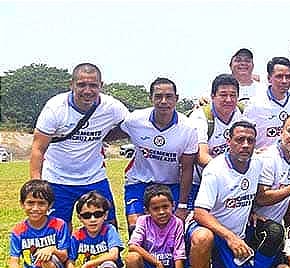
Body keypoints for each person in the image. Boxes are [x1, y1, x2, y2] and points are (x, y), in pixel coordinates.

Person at [187, 121, 273, 268]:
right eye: (239, 140)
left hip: (235, 237)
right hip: (211, 230)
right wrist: (229, 237)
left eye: (250, 141)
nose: (245, 145)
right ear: (229, 142)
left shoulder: (257, 164)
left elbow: (245, 194)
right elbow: (200, 212)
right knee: (203, 238)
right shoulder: (215, 170)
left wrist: (252, 212)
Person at [30, 63, 128, 228]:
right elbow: (38, 148)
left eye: (93, 85)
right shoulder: (55, 108)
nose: (87, 91)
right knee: (59, 230)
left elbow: (131, 127)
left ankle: (110, 255)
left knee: (108, 226)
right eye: (81, 85)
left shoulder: (112, 107)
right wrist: (36, 184)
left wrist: (105, 136)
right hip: (57, 179)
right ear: (71, 85)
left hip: (94, 178)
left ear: (101, 86)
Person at [121, 77, 198, 234]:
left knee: (174, 229)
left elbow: (187, 168)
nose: (164, 101)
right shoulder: (134, 120)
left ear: (176, 99)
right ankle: (139, 259)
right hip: (139, 182)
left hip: (171, 184)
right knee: (136, 227)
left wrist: (182, 205)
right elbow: (112, 132)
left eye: (169, 96)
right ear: (151, 98)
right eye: (158, 96)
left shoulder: (188, 128)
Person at [125, 184, 191, 268]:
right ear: (146, 210)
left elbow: (179, 256)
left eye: (165, 207)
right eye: (155, 209)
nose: (161, 212)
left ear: (172, 206)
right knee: (131, 258)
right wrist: (157, 263)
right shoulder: (143, 221)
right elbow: (132, 245)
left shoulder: (177, 223)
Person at [187, 74, 246, 208]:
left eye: (233, 95)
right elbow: (201, 156)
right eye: (223, 95)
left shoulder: (242, 113)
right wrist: (228, 172)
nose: (228, 99)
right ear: (213, 96)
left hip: (232, 183)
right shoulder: (200, 117)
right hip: (200, 182)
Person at [244, 56, 290, 150]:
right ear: (269, 78)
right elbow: (245, 136)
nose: (284, 81)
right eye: (279, 76)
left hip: (289, 159)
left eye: (288, 77)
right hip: (262, 159)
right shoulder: (255, 104)